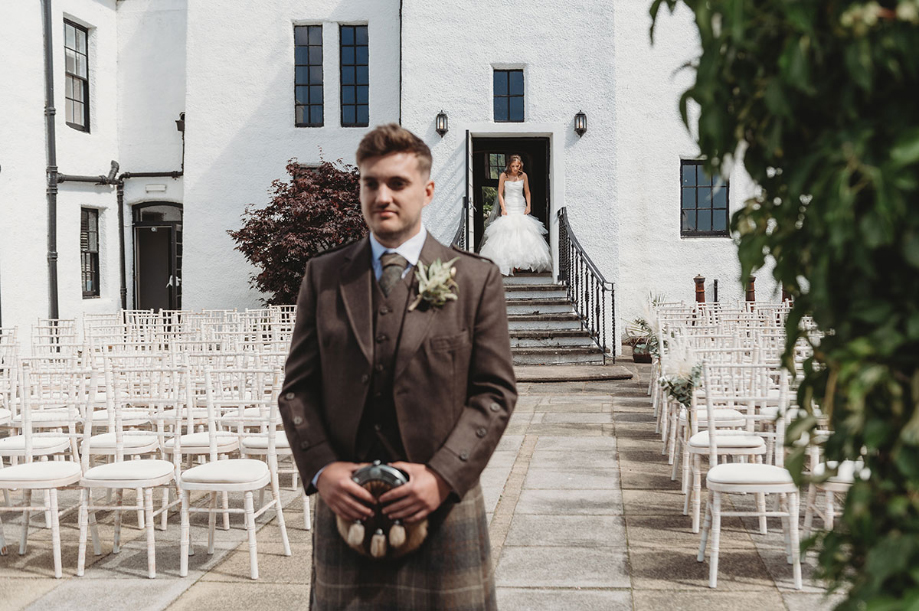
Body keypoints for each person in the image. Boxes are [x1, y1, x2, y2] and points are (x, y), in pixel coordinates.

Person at [279, 123, 517, 610]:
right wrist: (323, 470)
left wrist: (442, 476)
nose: (382, 196)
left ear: (427, 191)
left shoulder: (476, 279)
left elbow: (494, 393)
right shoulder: (324, 277)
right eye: (370, 183)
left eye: (397, 183)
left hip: (443, 510)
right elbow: (297, 390)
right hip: (347, 510)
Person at [478, 154, 552, 275]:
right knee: (507, 233)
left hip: (520, 206)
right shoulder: (504, 176)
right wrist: (503, 208)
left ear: (520, 165)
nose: (515, 168)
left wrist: (528, 206)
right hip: (509, 206)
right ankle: (510, 264)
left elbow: (527, 192)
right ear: (509, 165)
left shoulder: (523, 176)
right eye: (513, 166)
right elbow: (500, 193)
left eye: (517, 166)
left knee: (522, 234)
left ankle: (519, 264)